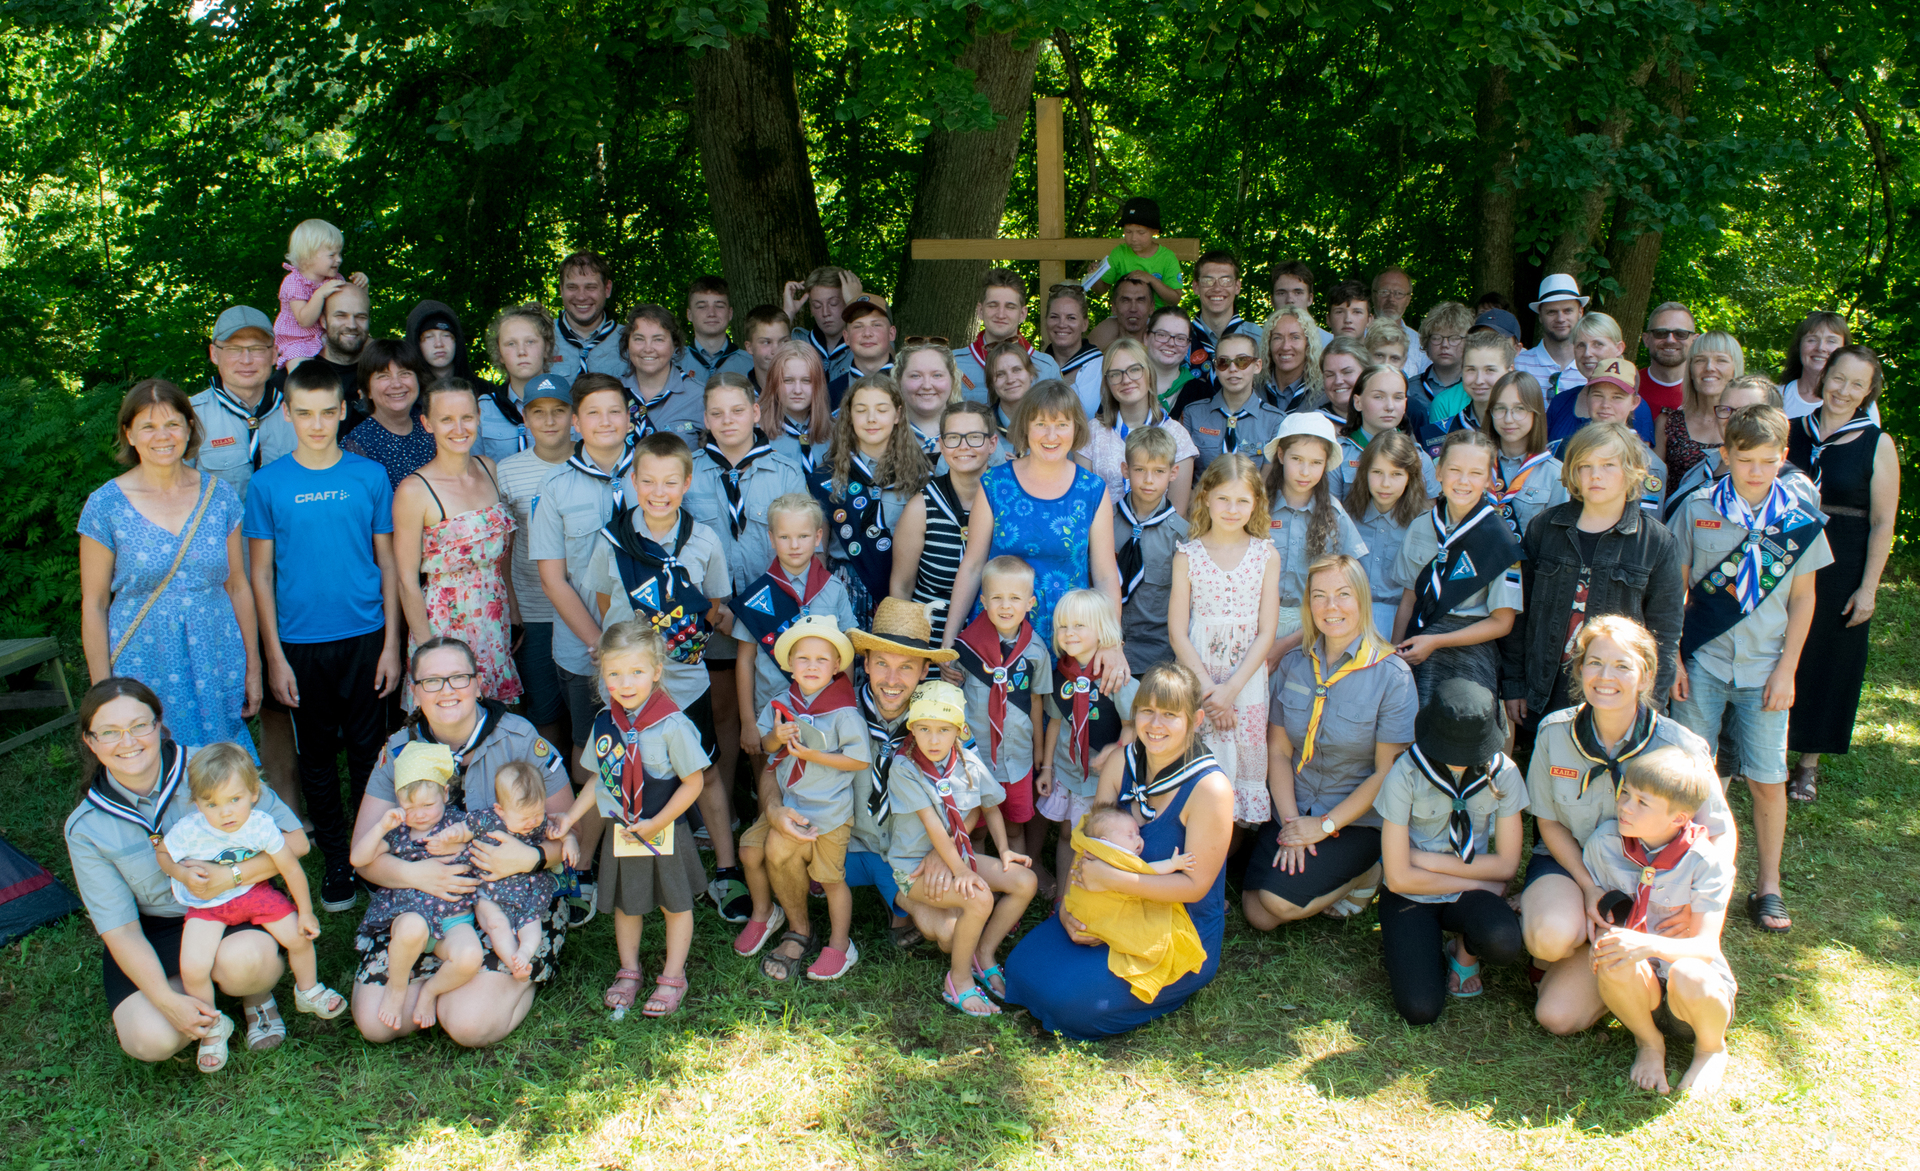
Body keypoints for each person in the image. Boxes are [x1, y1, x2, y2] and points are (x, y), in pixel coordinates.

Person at [63, 678, 311, 1065]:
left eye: (139, 725)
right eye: (109, 732)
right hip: (156, 927)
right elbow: (120, 929)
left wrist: (233, 876)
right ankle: (197, 999)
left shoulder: (212, 767)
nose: (128, 742)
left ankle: (255, 996)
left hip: (233, 905)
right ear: (90, 742)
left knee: (249, 961)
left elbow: (296, 842)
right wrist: (165, 1000)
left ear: (159, 724)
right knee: (151, 1040)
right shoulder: (86, 827)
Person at [1518, 616, 1738, 1032]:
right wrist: (1589, 888)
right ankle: (1582, 950)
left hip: (1658, 881)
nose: (1606, 677)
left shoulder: (1680, 745)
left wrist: (1695, 904)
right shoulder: (1554, 733)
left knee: (1564, 1015)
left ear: (1646, 676)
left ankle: (1623, 968)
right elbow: (1549, 823)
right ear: (1579, 669)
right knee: (1551, 940)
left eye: (1622, 666)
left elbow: (1720, 833)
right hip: (1572, 865)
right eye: (1594, 662)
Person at [348, 638, 573, 1046]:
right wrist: (417, 874)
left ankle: (507, 977)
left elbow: (572, 833)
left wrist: (532, 857)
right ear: (414, 691)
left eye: (458, 678)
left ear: (478, 683)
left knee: (467, 1025)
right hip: (423, 905)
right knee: (376, 1025)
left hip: (511, 897)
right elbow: (363, 854)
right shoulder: (399, 751)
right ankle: (451, 978)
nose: (447, 690)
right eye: (432, 681)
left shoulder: (519, 738)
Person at [1003, 662, 1233, 1040]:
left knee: (1069, 1004)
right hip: (1110, 910)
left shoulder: (1211, 789)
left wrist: (1112, 879)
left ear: (1195, 720)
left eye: (1170, 715)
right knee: (1021, 968)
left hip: (1176, 927)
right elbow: (1089, 846)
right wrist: (1069, 910)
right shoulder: (1119, 762)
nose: (1155, 724)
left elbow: (1194, 887)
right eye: (1147, 711)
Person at [246, 362, 402, 912]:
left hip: (366, 636)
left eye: (326, 412)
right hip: (300, 644)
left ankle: (369, 852)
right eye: (304, 413)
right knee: (314, 755)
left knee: (368, 752)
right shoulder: (267, 483)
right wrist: (274, 656)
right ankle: (336, 859)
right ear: (287, 414)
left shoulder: (369, 476)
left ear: (342, 412)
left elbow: (388, 563)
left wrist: (392, 644)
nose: (316, 424)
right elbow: (260, 576)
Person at [1670, 404, 1829, 934]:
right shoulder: (1697, 508)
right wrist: (1674, 656)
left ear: (1783, 456)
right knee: (1693, 774)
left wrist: (1788, 670)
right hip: (1703, 660)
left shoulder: (1798, 519)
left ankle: (1768, 886)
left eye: (1767, 459)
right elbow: (1675, 589)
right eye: (1744, 459)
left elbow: (1804, 599)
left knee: (1767, 777)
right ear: (1726, 454)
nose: (1755, 470)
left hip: (1766, 667)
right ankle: (1685, 875)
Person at [587, 431, 739, 916]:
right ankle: (593, 869)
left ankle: (728, 869)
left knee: (703, 770)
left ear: (687, 483)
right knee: (615, 768)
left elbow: (714, 602)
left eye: (670, 482)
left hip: (684, 679)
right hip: (627, 682)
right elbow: (606, 603)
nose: (658, 492)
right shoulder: (613, 540)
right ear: (633, 480)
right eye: (648, 481)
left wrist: (680, 637)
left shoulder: (704, 539)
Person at [80, 380, 260, 758]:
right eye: (148, 426)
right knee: (151, 759)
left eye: (172, 424)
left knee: (222, 768)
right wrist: (103, 693)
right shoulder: (105, 506)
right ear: (129, 434)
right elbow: (94, 604)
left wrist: (253, 667)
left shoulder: (219, 496)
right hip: (143, 659)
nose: (162, 436)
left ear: (190, 428)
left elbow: (238, 586)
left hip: (215, 653)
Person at [1242, 554, 1415, 928]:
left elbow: (1385, 774)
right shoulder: (1295, 662)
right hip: (1295, 803)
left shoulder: (1393, 676)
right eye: (1319, 596)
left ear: (1362, 599)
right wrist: (1292, 823)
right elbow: (1279, 750)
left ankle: (1366, 874)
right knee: (1257, 913)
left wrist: (1322, 826)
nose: (1330, 606)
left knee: (1276, 902)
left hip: (1354, 819)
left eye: (1343, 594)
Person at [548, 622, 710, 1017]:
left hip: (666, 829)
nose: (625, 683)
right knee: (627, 903)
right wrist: (569, 818)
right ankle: (629, 970)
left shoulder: (672, 725)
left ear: (656, 671)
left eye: (636, 671)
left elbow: (694, 783)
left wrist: (658, 823)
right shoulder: (606, 723)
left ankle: (673, 974)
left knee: (676, 903)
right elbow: (598, 781)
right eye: (614, 673)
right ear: (601, 675)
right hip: (624, 832)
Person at [687, 372, 808, 873]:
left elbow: (803, 535)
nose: (727, 421)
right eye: (716, 413)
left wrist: (763, 614)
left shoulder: (784, 468)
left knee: (764, 710)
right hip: (713, 614)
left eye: (737, 410)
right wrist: (712, 610)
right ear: (705, 418)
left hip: (772, 615)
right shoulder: (691, 471)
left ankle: (766, 806)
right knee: (722, 712)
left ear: (756, 412)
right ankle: (725, 811)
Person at [156, 743, 345, 1059]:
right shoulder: (189, 830)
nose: (226, 812)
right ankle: (213, 1027)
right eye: (211, 803)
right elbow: (162, 853)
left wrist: (306, 912)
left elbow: (290, 868)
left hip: (253, 893)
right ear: (196, 803)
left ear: (254, 793)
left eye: (234, 799)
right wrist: (181, 873)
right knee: (192, 968)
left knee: (299, 936)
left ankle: (308, 990)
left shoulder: (260, 824)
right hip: (207, 905)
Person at [1505, 422, 1681, 755]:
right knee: (1553, 768)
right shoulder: (1545, 528)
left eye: (1608, 465)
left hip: (1615, 691)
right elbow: (1519, 612)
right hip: (1546, 685)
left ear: (1631, 471)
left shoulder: (1657, 543)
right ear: (1572, 472)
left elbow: (1664, 633)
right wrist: (1514, 684)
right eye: (1584, 466)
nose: (1595, 475)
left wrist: (1650, 705)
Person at [944, 380, 1127, 681]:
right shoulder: (995, 484)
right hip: (999, 634)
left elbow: (1105, 575)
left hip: (1069, 638)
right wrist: (950, 639)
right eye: (1041, 424)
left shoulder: (1092, 490)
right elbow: (973, 565)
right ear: (1026, 427)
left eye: (1062, 424)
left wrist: (1112, 642)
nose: (1051, 436)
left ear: (1076, 429)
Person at [1581, 747, 1738, 1095]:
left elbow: (1705, 949)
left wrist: (1645, 944)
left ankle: (1710, 1049)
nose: (1625, 806)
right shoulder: (1605, 843)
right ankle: (1649, 1043)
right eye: (1626, 794)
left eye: (1642, 802)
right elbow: (1598, 908)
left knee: (1688, 971)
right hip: (1639, 992)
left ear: (1679, 818)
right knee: (1612, 953)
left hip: (1694, 994)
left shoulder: (1706, 863)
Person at [1374, 678, 1527, 1023]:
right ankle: (1421, 945)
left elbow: (1506, 865)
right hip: (1413, 895)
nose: (1459, 762)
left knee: (1503, 941)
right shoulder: (1405, 772)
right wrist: (1478, 882)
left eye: (1470, 751)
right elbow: (1398, 879)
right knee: (1420, 1009)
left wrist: (1422, 859)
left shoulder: (1503, 773)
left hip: (1450, 888)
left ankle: (1464, 949)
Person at [882, 680, 1037, 1015]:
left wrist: (1004, 850)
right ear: (912, 729)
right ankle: (959, 980)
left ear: (959, 730)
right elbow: (935, 828)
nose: (933, 739)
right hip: (914, 868)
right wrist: (961, 871)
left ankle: (984, 954)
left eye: (943, 729)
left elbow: (990, 806)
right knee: (979, 898)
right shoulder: (905, 769)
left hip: (960, 858)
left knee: (1025, 881)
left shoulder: (968, 762)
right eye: (924, 729)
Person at [1786, 345, 1899, 801]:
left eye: (1857, 384)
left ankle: (1808, 762)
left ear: (1868, 392)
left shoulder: (1877, 443)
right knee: (1779, 647)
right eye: (1838, 378)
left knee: (1828, 657)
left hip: (1843, 560)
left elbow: (1883, 522)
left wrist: (1868, 588)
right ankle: (1764, 744)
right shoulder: (1789, 430)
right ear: (1823, 376)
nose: (1844, 390)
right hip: (1786, 552)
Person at [751, 616, 874, 981]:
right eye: (803, 658)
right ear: (789, 663)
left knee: (831, 879)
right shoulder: (780, 703)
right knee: (763, 851)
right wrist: (776, 737)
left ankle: (840, 944)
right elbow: (764, 746)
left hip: (831, 811)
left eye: (822, 659)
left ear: (837, 666)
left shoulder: (844, 712)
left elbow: (859, 760)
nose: (811, 666)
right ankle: (792, 925)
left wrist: (812, 755)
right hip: (793, 803)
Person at [533, 373, 636, 791]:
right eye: (593, 413)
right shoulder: (554, 487)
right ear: (576, 422)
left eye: (615, 411)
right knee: (589, 748)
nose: (605, 421)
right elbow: (552, 579)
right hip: (584, 647)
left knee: (653, 740)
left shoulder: (654, 477)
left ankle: (649, 820)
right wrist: (600, 642)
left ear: (629, 418)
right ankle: (595, 827)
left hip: (650, 639)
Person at [392, 379, 521, 703]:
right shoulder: (414, 490)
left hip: (494, 618)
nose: (459, 428)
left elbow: (500, 557)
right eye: (447, 419)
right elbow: (406, 581)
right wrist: (429, 651)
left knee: (494, 718)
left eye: (466, 417)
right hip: (444, 624)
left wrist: (514, 611)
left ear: (479, 417)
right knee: (451, 713)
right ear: (427, 423)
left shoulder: (488, 469)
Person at [1169, 455, 1279, 825]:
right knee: (1199, 768)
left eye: (1242, 501)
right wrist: (1210, 691)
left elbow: (1266, 631)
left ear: (1256, 504)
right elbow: (1177, 632)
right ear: (1205, 497)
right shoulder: (1188, 555)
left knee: (1239, 777)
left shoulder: (1265, 555)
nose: (1232, 509)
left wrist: (1230, 690)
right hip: (1199, 678)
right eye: (1224, 499)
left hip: (1245, 682)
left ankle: (1227, 853)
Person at [348, 742, 487, 1032]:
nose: (420, 814)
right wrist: (380, 827)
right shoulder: (398, 832)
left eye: (427, 805)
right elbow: (358, 859)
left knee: (469, 957)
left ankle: (429, 992)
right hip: (411, 918)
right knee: (412, 929)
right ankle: (397, 988)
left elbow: (486, 840)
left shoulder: (459, 823)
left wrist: (460, 843)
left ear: (445, 794)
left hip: (454, 920)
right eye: (409, 807)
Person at [731, 493, 859, 785]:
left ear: (818, 537)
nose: (794, 545)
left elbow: (846, 652)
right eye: (784, 537)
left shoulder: (833, 589)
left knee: (821, 776)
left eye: (803, 536)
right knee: (770, 778)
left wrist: (845, 704)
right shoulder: (757, 595)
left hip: (824, 707)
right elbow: (745, 660)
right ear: (771, 538)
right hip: (771, 707)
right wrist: (748, 722)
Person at [1392, 431, 1522, 709]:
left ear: (1489, 480)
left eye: (1476, 473)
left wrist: (1436, 642)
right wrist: (1394, 658)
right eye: (1454, 470)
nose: (1464, 481)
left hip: (1469, 650)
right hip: (1418, 639)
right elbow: (1409, 599)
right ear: (1438, 472)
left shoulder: (1500, 540)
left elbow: (1503, 622)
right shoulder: (1421, 526)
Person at [952, 556, 1052, 887]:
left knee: (1014, 825)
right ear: (983, 601)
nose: (1005, 606)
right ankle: (984, 888)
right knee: (978, 828)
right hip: (975, 758)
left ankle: (1017, 887)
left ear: (1030, 603)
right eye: (997, 597)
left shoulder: (1036, 651)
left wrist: (1039, 752)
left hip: (1018, 758)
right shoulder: (965, 649)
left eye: (1014, 598)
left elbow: (1036, 702)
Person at [1037, 590, 1142, 883]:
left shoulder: (1115, 676)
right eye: (1062, 626)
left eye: (1079, 625)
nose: (1069, 633)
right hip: (1068, 770)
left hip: (1101, 778)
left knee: (1094, 838)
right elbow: (1055, 722)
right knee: (1067, 833)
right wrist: (1047, 768)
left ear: (1102, 630)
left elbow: (1133, 724)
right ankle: (1063, 894)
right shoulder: (1059, 675)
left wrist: (1116, 748)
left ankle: (1090, 891)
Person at [809, 374, 931, 624]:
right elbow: (818, 549)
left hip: (904, 588)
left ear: (897, 415)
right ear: (849, 416)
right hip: (843, 587)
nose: (871, 418)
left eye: (882, 410)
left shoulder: (920, 477)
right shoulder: (827, 477)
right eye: (861, 410)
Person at [496, 376, 575, 755]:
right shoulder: (508, 471)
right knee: (544, 710)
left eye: (559, 410)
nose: (549, 420)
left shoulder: (592, 461)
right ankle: (551, 779)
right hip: (535, 608)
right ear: (524, 419)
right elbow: (504, 549)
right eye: (538, 412)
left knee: (591, 706)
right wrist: (513, 608)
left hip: (589, 605)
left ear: (574, 416)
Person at [1061, 807, 1203, 1003]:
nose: (1138, 839)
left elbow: (1145, 871)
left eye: (1138, 834)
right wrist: (1172, 865)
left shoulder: (1123, 859)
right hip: (1087, 915)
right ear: (1105, 841)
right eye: (1130, 835)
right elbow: (1150, 870)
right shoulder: (1108, 855)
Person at [1262, 413, 1370, 659]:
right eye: (1296, 459)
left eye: (1315, 462)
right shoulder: (1257, 507)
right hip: (1255, 625)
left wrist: (1288, 643)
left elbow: (1352, 581)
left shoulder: (1334, 515)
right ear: (1281, 455)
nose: (1304, 471)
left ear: (1326, 464)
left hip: (1312, 631)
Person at [893, 402, 998, 644]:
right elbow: (902, 587)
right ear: (941, 444)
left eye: (974, 437)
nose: (963, 446)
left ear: (992, 443)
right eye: (953, 437)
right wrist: (906, 648)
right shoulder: (921, 508)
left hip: (992, 646)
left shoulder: (1008, 501)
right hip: (928, 643)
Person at [454, 762, 561, 982]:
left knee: (531, 924)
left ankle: (526, 951)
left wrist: (570, 841)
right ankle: (514, 961)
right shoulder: (488, 820)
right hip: (489, 893)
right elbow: (464, 829)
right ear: (500, 810)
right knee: (496, 924)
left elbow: (560, 831)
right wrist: (448, 836)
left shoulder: (539, 822)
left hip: (528, 892)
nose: (532, 822)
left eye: (537, 813)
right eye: (524, 817)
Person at [191, 306, 297, 501]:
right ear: (214, 354)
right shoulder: (191, 416)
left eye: (257, 348)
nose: (246, 360)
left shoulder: (299, 412)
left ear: (274, 354)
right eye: (233, 349)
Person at [1082, 341, 1198, 512]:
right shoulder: (1091, 433)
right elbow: (1084, 505)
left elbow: (1177, 517)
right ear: (1107, 382)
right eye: (1115, 374)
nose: (1126, 380)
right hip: (1102, 528)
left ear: (1149, 374)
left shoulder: (1177, 435)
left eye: (1135, 370)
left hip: (1159, 529)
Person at [1111, 427, 1189, 676]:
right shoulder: (1105, 522)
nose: (1148, 480)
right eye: (1139, 470)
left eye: (1158, 471)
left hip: (1158, 655)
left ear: (1173, 473)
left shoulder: (1182, 536)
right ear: (1125, 470)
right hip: (1106, 647)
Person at [1344, 432, 1427, 647]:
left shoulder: (1423, 524)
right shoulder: (1346, 517)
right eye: (1377, 472)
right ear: (1364, 472)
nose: (1385, 484)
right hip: (1349, 615)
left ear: (1410, 477)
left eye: (1396, 474)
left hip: (1400, 618)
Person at [1329, 363, 1439, 502]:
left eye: (1398, 397)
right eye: (1378, 397)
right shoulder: (1338, 455)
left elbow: (1428, 511)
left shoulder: (1419, 458)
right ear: (1358, 402)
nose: (1390, 406)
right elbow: (1330, 511)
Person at [1182, 331, 1285, 475]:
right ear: (1216, 368)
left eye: (1242, 361)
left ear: (1257, 366)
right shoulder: (1193, 414)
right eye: (1223, 362)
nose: (1232, 369)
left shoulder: (1275, 421)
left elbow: (1267, 482)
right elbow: (1183, 475)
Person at [1544, 313, 1654, 446]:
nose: (1587, 353)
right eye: (1580, 345)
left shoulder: (1635, 409)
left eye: (1598, 344)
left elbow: (1640, 457)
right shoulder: (1561, 402)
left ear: (1619, 348)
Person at [1482, 371, 1568, 539]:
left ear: (1536, 413)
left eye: (1519, 409)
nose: (1508, 419)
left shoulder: (1555, 474)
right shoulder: (1476, 464)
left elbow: (1557, 539)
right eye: (1500, 408)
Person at [273, 218, 367, 370]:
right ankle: (301, 385)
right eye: (332, 255)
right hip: (298, 340)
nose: (339, 260)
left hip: (325, 336)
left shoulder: (334, 279)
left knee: (369, 348)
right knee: (303, 371)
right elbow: (305, 320)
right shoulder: (294, 281)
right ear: (308, 256)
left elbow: (355, 307)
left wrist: (362, 287)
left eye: (339, 254)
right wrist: (319, 294)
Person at [952, 269, 1063, 396]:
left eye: (1010, 307)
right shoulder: (954, 365)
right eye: (993, 305)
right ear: (980, 311)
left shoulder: (1046, 369)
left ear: (1022, 314)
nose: (1001, 315)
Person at [341, 339, 437, 487]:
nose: (396, 384)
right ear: (368, 390)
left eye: (405, 373)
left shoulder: (433, 427)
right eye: (383, 376)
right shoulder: (354, 446)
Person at [1655, 330, 1744, 485]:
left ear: (1735, 368)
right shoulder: (1668, 423)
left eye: (1721, 360)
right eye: (1700, 360)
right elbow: (1651, 483)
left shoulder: (1747, 423)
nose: (1709, 367)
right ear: (1690, 370)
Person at [479, 304, 562, 466]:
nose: (521, 352)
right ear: (500, 353)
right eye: (511, 344)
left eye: (530, 342)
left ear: (546, 348)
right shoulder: (484, 410)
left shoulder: (570, 405)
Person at [1184, 250, 1260, 404]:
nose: (1217, 288)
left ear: (1237, 286)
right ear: (1196, 286)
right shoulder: (1179, 338)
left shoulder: (1260, 338)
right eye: (1208, 280)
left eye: (1225, 280)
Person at [622, 304, 705, 444]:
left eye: (658, 339)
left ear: (674, 345)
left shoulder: (701, 397)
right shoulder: (610, 393)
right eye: (639, 339)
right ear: (628, 344)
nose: (648, 348)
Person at [1419, 329, 1511, 454]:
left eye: (1490, 370)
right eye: (1471, 370)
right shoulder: (1443, 429)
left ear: (1509, 371)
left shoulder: (1521, 424)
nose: (1479, 380)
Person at [1084, 196, 1182, 308]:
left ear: (1155, 231)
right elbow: (1100, 291)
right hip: (1123, 316)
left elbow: (1175, 299)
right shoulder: (1119, 253)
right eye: (1128, 231)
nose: (1134, 238)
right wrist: (1094, 275)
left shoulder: (1167, 257)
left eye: (1141, 232)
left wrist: (1151, 280)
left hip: (1158, 317)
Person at [551, 251, 626, 381]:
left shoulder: (630, 340)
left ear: (607, 289)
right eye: (572, 287)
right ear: (561, 290)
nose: (581, 297)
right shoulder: (540, 337)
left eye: (591, 287)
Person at [761, 340, 832, 476]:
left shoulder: (835, 434)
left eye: (806, 380)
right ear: (774, 383)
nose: (797, 390)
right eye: (788, 380)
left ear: (818, 385)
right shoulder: (757, 435)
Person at [783, 265, 862, 387]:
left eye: (833, 303)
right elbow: (767, 363)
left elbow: (885, 365)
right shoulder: (797, 342)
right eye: (817, 305)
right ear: (810, 309)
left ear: (846, 303)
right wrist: (787, 314)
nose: (825, 312)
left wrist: (856, 305)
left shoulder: (867, 343)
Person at [1779, 310, 1865, 421]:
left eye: (1831, 341)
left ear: (1844, 350)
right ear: (1799, 346)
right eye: (1812, 340)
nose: (1821, 348)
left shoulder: (1859, 401)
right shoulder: (1774, 397)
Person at [1514, 273, 1587, 395]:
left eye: (1568, 311)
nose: (1560, 319)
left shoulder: (1592, 366)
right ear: (1540, 316)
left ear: (1580, 312)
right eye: (1551, 312)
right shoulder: (1518, 366)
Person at [675, 275, 756, 383]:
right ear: (689, 314)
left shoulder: (752, 364)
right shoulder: (673, 363)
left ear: (730, 313)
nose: (711, 313)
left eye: (719, 306)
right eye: (702, 306)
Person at [1041, 282, 1106, 417]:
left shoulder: (1103, 368)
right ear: (1046, 321)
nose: (1062, 324)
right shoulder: (1033, 367)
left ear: (1085, 324)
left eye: (1071, 318)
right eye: (1054, 317)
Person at [306, 282, 372, 408]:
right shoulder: (299, 372)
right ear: (323, 321)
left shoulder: (383, 370)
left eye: (361, 317)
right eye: (341, 316)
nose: (352, 325)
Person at [406, 300, 489, 396]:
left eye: (446, 335)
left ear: (457, 340)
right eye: (428, 337)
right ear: (416, 344)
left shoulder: (486, 393)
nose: (439, 344)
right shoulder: (407, 397)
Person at [896, 341, 964, 455]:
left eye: (937, 375)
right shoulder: (882, 434)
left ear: (952, 380)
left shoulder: (977, 431)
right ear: (899, 381)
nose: (927, 386)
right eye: (915, 376)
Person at [1408, 301, 1471, 420]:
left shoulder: (1475, 387)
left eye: (1454, 338)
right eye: (1436, 338)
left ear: (1468, 342)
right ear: (1426, 342)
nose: (1445, 345)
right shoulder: (1410, 389)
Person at [1260, 305, 1324, 414]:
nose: (1285, 347)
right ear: (1268, 344)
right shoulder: (1254, 390)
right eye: (1277, 338)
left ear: (1308, 344)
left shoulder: (1323, 394)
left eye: (1295, 337)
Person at [1637, 302, 1697, 413]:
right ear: (1646, 339)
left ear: (1694, 341)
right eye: (1661, 333)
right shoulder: (1628, 386)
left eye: (1680, 333)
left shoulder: (1705, 391)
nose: (1670, 340)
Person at [1371, 268, 1427, 377]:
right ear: (1373, 295)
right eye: (1384, 292)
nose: (1391, 299)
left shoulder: (1421, 344)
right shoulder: (1358, 336)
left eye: (1399, 293)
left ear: (1408, 299)